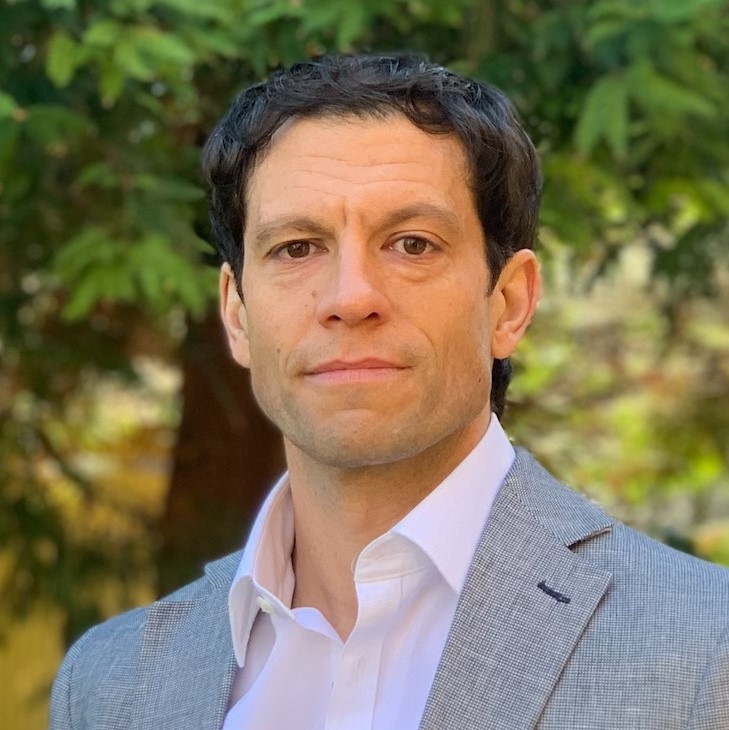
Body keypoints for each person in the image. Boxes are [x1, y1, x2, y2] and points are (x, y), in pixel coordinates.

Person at [50, 54, 729, 730]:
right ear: (237, 314)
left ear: (509, 304)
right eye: (296, 248)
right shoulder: (108, 686)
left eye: (411, 244)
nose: (350, 298)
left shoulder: (705, 650)